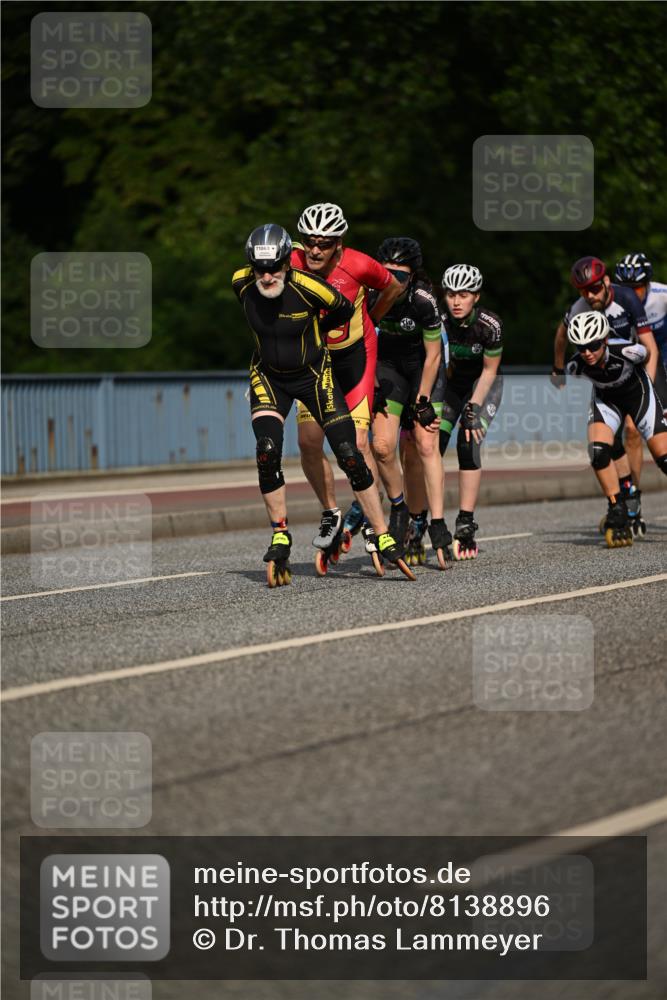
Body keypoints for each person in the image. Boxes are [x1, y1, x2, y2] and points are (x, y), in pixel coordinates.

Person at [232, 223, 413, 585]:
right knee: (268, 449)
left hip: (314, 375)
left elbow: (346, 312)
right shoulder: (241, 283)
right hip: (268, 376)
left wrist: (314, 332)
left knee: (349, 451)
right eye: (260, 268)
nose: (267, 276)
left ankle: (382, 532)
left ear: (287, 262)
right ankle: (280, 534)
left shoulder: (310, 287)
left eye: (274, 267)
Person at [290, 203, 404, 555]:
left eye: (323, 243)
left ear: (338, 243)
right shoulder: (291, 261)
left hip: (356, 357)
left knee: (357, 444)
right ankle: (332, 513)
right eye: (309, 241)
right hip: (317, 362)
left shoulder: (358, 263)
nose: (314, 250)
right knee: (309, 442)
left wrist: (372, 315)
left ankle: (383, 515)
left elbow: (394, 287)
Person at [361, 236, 451, 568]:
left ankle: (437, 522)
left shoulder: (424, 300)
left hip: (423, 368)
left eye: (400, 275)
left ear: (412, 276)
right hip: (387, 365)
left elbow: (433, 356)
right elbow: (361, 341)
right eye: (386, 273)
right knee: (383, 447)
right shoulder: (370, 295)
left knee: (425, 444)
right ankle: (399, 508)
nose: (393, 282)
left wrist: (423, 400)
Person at [551, 256, 658, 531]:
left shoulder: (627, 299)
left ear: (607, 282)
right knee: (603, 446)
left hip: (637, 371)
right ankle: (624, 496)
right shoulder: (579, 309)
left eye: (595, 288)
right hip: (606, 385)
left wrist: (653, 390)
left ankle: (633, 495)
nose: (590, 295)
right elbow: (562, 335)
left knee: (634, 431)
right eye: (583, 290)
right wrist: (558, 367)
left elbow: (650, 349)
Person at [565, 310, 667, 547]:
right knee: (598, 451)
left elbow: (650, 357)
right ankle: (617, 506)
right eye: (581, 347)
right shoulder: (575, 366)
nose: (587, 353)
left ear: (605, 340)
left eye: (593, 345)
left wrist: (657, 396)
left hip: (638, 396)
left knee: (664, 458)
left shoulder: (629, 351)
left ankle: (629, 492)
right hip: (607, 401)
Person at [439, 264, 503, 560]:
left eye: (463, 295)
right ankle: (419, 518)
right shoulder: (438, 321)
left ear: (475, 297)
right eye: (451, 294)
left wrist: (473, 408)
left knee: (468, 443)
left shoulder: (489, 325)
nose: (456, 301)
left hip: (483, 386)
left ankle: (465, 522)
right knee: (431, 444)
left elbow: (490, 371)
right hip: (450, 387)